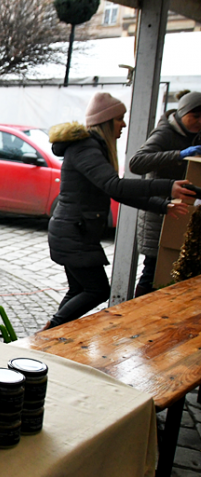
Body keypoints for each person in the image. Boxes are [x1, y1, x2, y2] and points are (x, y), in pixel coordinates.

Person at [43, 92, 194, 329]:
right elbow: (116, 185)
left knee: (80, 290)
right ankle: (49, 332)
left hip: (74, 231)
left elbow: (117, 193)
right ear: (105, 121)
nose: (124, 124)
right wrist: (169, 186)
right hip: (73, 234)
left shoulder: (92, 147)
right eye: (120, 119)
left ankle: (50, 332)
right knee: (97, 290)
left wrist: (162, 205)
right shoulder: (86, 148)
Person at [129, 90, 201, 296]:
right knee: (152, 270)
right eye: (195, 116)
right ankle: (136, 315)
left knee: (176, 270)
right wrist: (179, 154)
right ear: (183, 112)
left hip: (182, 211)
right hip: (158, 213)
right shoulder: (164, 133)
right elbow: (137, 162)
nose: (199, 121)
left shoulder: (195, 135)